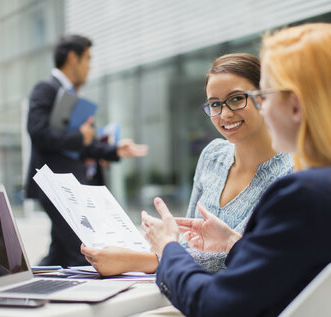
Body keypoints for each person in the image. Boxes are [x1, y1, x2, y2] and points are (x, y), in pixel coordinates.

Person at [139, 23, 331, 317]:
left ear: (294, 105)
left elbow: (216, 309)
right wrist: (232, 242)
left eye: (263, 96)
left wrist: (168, 248)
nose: (261, 109)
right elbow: (287, 267)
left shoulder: (303, 193)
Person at [81, 53, 293, 275]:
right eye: (214, 104)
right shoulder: (212, 155)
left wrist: (140, 260)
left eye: (237, 99)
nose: (225, 114)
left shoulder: (290, 172)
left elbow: (241, 255)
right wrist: (163, 241)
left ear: (263, 98)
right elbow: (187, 241)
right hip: (187, 288)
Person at [25, 34, 148, 267]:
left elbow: (81, 145)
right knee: (83, 250)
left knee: (60, 253)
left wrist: (113, 150)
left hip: (70, 184)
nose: (90, 66)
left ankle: (26, 283)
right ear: (73, 58)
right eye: (88, 59)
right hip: (55, 184)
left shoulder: (72, 94)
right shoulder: (46, 88)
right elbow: (37, 132)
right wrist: (79, 136)